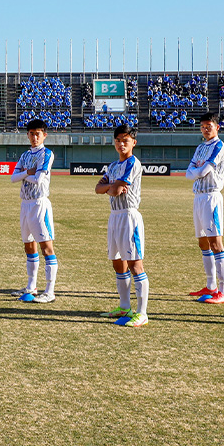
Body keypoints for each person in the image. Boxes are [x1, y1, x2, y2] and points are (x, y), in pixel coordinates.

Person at [95, 125, 150, 327]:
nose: (121, 143)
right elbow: (98, 188)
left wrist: (110, 187)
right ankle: (125, 307)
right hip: (114, 216)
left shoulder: (132, 163)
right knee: (118, 262)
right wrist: (111, 187)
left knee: (135, 264)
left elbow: (115, 190)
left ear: (133, 142)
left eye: (125, 140)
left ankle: (142, 313)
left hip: (129, 216)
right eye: (118, 140)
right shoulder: (112, 166)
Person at [9, 119, 60, 303]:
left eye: (38, 133)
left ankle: (50, 290)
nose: (34, 137)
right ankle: (32, 286)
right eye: (31, 133)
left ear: (44, 135)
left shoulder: (47, 153)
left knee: (46, 247)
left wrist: (26, 173)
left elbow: (39, 178)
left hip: (39, 204)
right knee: (28, 246)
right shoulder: (24, 155)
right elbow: (13, 178)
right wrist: (27, 172)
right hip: (25, 203)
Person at [185, 113, 224, 303]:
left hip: (211, 196)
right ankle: (211, 286)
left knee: (215, 242)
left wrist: (197, 171)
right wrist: (198, 171)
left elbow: (203, 171)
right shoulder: (200, 147)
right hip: (198, 197)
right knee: (203, 242)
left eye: (209, 126)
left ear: (217, 127)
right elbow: (189, 174)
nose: (205, 129)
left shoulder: (219, 146)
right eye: (203, 126)